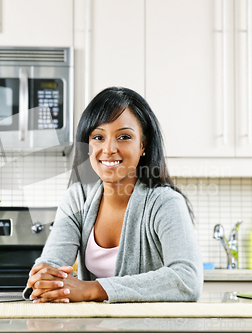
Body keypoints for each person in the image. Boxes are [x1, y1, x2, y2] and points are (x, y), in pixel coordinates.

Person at [24, 87, 203, 303]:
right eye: (98, 137)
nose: (108, 148)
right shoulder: (77, 197)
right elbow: (52, 264)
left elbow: (187, 279)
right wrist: (43, 279)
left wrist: (92, 289)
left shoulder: (165, 202)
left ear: (142, 145)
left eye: (124, 137)